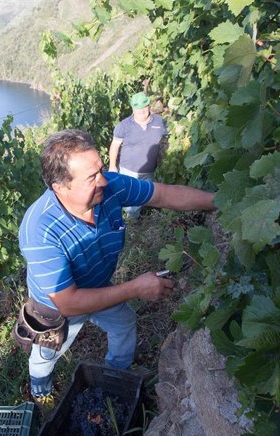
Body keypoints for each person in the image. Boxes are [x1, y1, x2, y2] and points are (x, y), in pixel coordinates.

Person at [18, 129, 215, 405]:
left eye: (100, 169)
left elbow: (163, 195)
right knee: (46, 353)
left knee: (124, 323)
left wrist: (216, 202)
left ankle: (116, 377)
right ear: (60, 187)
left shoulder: (109, 187)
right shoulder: (39, 229)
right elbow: (69, 303)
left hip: (97, 287)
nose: (103, 180)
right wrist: (135, 288)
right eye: (91, 177)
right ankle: (41, 389)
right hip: (56, 307)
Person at [108, 92, 169, 219]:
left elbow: (169, 138)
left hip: (149, 173)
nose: (141, 110)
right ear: (133, 109)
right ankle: (130, 228)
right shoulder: (123, 126)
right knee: (131, 205)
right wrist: (112, 166)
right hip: (129, 171)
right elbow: (114, 146)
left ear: (148, 106)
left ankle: (134, 223)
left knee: (143, 199)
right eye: (138, 108)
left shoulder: (159, 122)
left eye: (144, 106)